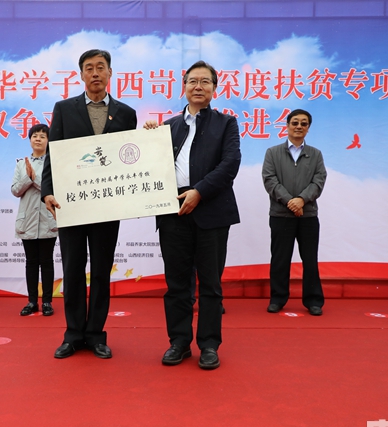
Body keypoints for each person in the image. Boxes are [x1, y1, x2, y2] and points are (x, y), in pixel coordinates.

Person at [41, 49, 137, 359]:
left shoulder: (126, 113)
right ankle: (73, 334)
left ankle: (95, 334)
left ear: (110, 73)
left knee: (100, 271)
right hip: (72, 203)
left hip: (108, 206)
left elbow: (132, 158)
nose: (95, 73)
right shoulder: (64, 109)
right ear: (81, 74)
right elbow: (53, 154)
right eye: (89, 68)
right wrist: (47, 192)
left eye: (100, 67)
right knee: (72, 269)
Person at [144, 60, 241, 370]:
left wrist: (199, 192)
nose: (198, 86)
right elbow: (149, 167)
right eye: (192, 81)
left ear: (214, 88)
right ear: (183, 87)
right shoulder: (167, 127)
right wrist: (147, 140)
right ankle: (179, 342)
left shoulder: (226, 124)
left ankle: (209, 345)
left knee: (210, 284)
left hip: (211, 211)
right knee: (176, 284)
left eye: (205, 81)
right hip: (173, 212)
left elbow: (230, 164)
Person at [262, 109, 327, 316]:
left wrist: (302, 200)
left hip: (308, 215)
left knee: (310, 259)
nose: (299, 126)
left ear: (308, 128)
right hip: (280, 215)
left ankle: (313, 300)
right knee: (280, 259)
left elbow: (319, 180)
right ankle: (277, 298)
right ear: (287, 125)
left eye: (304, 123)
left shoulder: (316, 154)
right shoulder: (273, 152)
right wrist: (290, 202)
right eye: (295, 122)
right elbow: (270, 180)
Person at [12, 123, 57, 317]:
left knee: (46, 262)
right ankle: (31, 301)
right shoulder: (21, 163)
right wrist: (27, 178)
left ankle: (47, 301)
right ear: (30, 139)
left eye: (42, 136)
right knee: (31, 262)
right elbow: (15, 190)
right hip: (27, 220)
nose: (38, 139)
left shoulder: (53, 162)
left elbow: (54, 190)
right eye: (35, 136)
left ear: (48, 140)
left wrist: (34, 178)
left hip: (47, 218)